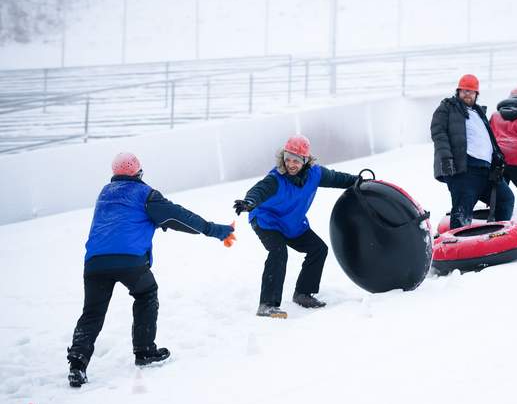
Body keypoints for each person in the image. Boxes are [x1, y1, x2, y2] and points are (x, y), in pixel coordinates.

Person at [67, 152, 236, 388]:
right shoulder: (146, 194)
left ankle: (77, 365)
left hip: (95, 263)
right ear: (139, 173)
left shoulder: (105, 193)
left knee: (92, 313)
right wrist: (216, 230)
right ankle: (145, 350)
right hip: (129, 261)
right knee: (146, 294)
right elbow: (180, 217)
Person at [233, 135, 358, 319]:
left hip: (292, 223)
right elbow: (259, 190)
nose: (291, 164)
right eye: (288, 159)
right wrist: (249, 202)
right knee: (278, 251)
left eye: (296, 161)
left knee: (319, 249)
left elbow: (337, 178)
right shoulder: (276, 178)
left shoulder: (315, 174)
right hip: (267, 221)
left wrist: (358, 181)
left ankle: (303, 294)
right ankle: (267, 305)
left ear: (306, 161)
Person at [430, 74, 514, 228]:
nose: (467, 94)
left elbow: (488, 139)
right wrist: (446, 159)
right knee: (462, 211)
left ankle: (498, 237)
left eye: (471, 91)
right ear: (458, 91)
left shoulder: (479, 113)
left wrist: (498, 159)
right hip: (464, 169)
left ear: (476, 94)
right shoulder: (447, 107)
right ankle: (459, 248)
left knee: (506, 198)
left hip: (486, 171)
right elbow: (438, 133)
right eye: (464, 90)